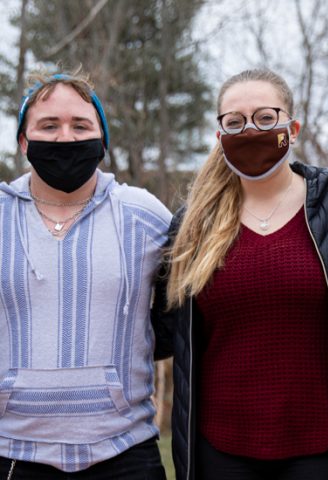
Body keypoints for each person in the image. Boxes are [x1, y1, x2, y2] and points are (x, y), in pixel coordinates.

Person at [152, 68, 328, 480]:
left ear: (293, 127)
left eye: (266, 118)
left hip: (323, 446)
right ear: (219, 136)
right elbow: (164, 332)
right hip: (221, 449)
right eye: (234, 122)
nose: (250, 130)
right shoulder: (191, 226)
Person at [0, 70, 171, 479]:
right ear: (24, 141)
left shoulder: (145, 215)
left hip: (124, 450)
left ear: (102, 141)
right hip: (13, 451)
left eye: (80, 125)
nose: (65, 138)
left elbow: (182, 311)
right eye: (48, 125)